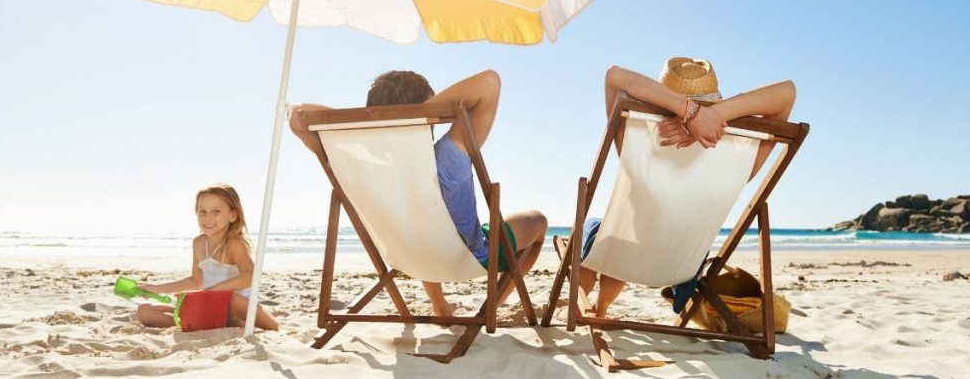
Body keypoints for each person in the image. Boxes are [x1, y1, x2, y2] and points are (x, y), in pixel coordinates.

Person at [290, 69, 548, 317]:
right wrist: (422, 114)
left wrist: (372, 124)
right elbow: (489, 83)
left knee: (420, 225)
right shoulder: (449, 156)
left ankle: (440, 306)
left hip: (409, 257)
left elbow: (297, 115)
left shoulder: (360, 165)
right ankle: (490, 306)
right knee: (538, 222)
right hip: (470, 257)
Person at [580, 58, 796, 317]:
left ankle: (598, 306)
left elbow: (614, 76)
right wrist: (714, 115)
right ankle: (601, 306)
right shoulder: (741, 158)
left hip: (624, 259)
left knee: (599, 229)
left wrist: (690, 112)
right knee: (632, 238)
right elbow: (787, 93)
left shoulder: (638, 141)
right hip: (681, 268)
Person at [135, 184, 279, 331]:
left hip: (233, 309)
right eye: (202, 211)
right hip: (207, 306)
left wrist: (214, 291)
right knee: (144, 311)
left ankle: (272, 327)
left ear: (233, 215)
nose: (207, 217)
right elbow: (196, 281)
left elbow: (251, 276)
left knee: (235, 301)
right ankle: (199, 323)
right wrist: (157, 289)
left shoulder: (234, 243)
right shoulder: (198, 243)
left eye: (216, 211)